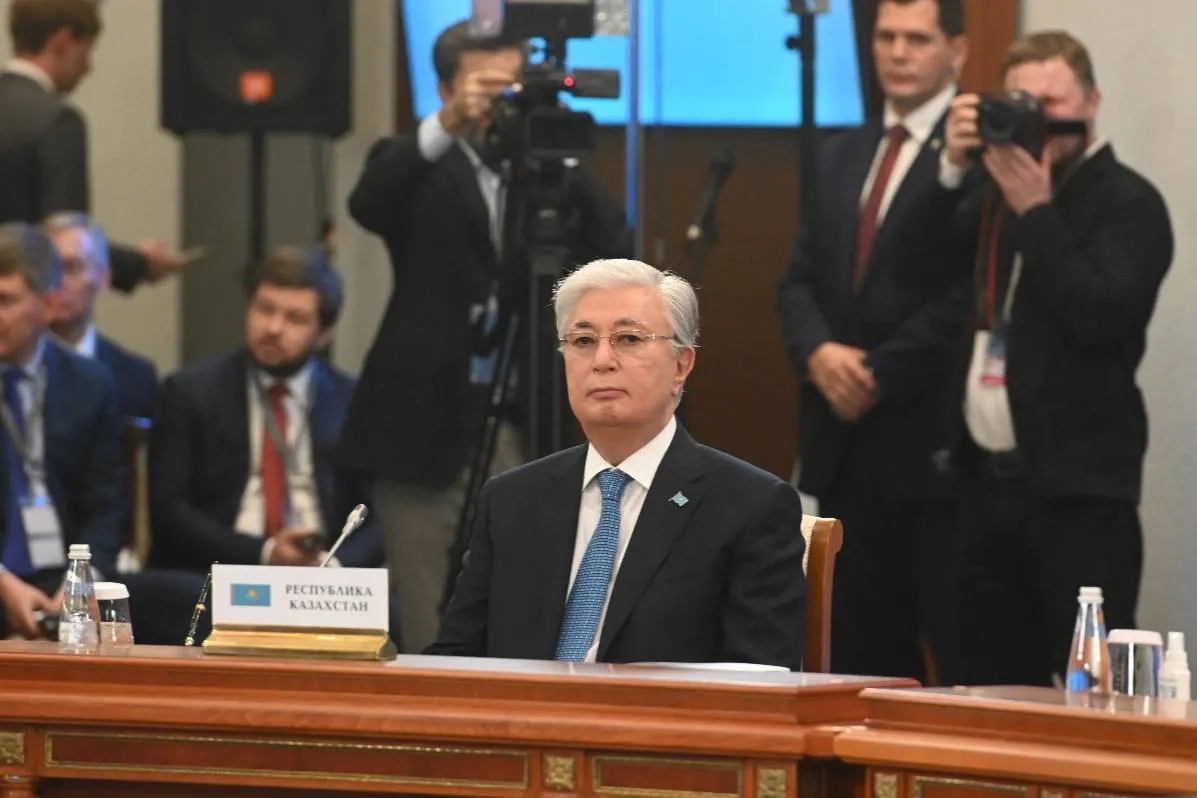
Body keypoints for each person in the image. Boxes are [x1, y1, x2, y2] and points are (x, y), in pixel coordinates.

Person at [342, 19, 630, 653]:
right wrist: (447, 125)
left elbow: (615, 243)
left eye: (515, 87)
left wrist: (554, 149)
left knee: (522, 599)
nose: (504, 103)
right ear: (447, 88)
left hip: (523, 412)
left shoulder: (541, 174)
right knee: (428, 610)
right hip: (423, 422)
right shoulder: (417, 161)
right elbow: (368, 203)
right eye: (489, 88)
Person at [938, 31, 1173, 686]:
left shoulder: (1129, 203)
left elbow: (1100, 315)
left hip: (1078, 494)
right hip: (983, 487)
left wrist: (1037, 211)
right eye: (1021, 104)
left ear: (1091, 102)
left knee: (1089, 692)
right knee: (987, 686)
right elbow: (919, 272)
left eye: (1051, 104)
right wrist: (952, 168)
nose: (1036, 122)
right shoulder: (989, 191)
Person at [430, 259, 806, 667]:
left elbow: (760, 676)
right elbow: (454, 660)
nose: (602, 360)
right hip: (523, 708)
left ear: (681, 366)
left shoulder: (750, 506)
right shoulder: (510, 500)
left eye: (629, 339)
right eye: (583, 341)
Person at [776, 0, 969, 682]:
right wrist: (819, 354)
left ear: (956, 52)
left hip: (932, 451)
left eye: (917, 38)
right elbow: (798, 280)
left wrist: (877, 372)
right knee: (855, 662)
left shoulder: (977, 155)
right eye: (886, 37)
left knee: (957, 665)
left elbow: (966, 295)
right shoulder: (842, 153)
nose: (897, 52)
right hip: (841, 449)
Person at [139, 247, 389, 645]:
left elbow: (381, 515)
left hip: (322, 580)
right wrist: (266, 552)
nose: (273, 328)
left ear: (324, 334)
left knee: (396, 610)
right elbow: (170, 512)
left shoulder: (355, 403)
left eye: (295, 318)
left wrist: (334, 566)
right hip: (220, 572)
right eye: (264, 309)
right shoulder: (189, 393)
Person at [0, 0, 187, 293]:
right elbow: (65, 245)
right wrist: (139, 264)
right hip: (24, 306)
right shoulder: (57, 122)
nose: (88, 68)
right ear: (62, 42)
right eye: (86, 51)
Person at [0, 222, 125, 639]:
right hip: (3, 572)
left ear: (48, 303)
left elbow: (106, 505)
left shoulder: (90, 383)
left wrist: (84, 581)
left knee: (177, 599)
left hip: (66, 570)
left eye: (5, 301)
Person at [44, 213, 157, 420]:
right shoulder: (11, 366)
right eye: (49, 270)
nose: (57, 283)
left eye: (72, 268)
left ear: (103, 279)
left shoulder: (136, 377)